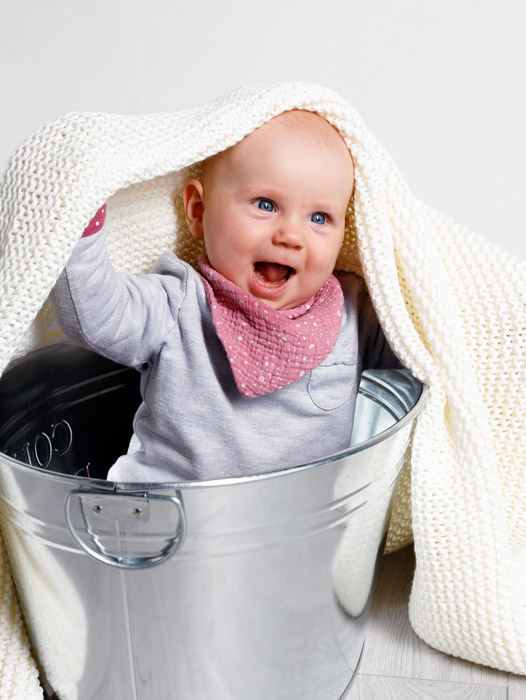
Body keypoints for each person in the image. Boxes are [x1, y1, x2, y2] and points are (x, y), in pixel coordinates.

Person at [52, 110, 400, 483]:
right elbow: (95, 316)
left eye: (319, 218)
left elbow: (425, 351)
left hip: (301, 528)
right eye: (266, 205)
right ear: (199, 212)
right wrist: (78, 221)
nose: (291, 236)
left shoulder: (350, 312)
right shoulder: (180, 305)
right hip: (172, 526)